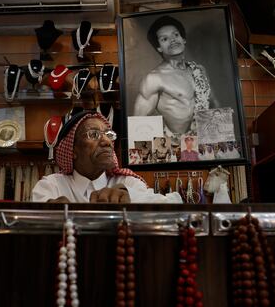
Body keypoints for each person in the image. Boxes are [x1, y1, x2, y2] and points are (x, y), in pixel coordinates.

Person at [32, 111, 182, 203]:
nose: (106, 141)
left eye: (109, 135)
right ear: (72, 150)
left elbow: (175, 203)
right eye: (93, 134)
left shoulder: (127, 183)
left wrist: (129, 195)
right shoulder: (52, 186)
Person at [133, 15, 216, 135]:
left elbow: (213, 104)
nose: (173, 40)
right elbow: (138, 122)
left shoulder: (199, 70)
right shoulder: (154, 79)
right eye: (164, 39)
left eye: (176, 35)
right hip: (176, 147)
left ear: (184, 39)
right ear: (159, 48)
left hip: (205, 142)